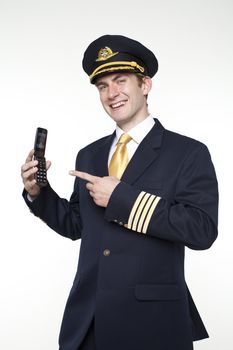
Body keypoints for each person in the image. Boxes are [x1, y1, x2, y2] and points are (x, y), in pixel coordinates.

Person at [21, 35, 218, 350]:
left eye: (121, 80)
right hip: (88, 323)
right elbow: (77, 226)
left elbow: (202, 230)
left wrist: (122, 200)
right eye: (102, 86)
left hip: (152, 324)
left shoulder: (188, 152)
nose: (112, 93)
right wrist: (38, 193)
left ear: (145, 84)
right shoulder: (89, 154)